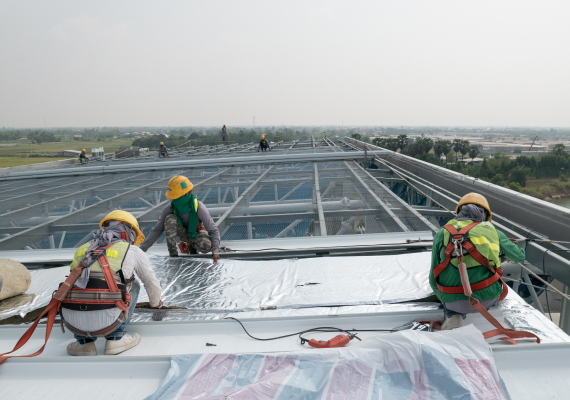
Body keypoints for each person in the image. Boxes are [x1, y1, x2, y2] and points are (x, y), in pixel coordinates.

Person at [62, 210, 163, 356]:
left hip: (73, 322)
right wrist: (155, 304)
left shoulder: (82, 249)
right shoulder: (132, 250)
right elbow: (151, 283)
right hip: (110, 317)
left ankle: (84, 343)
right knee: (133, 285)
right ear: (129, 231)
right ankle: (116, 337)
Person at [429, 193, 525, 330]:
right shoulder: (494, 232)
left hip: (450, 301)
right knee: (494, 284)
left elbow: (433, 273)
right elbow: (520, 256)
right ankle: (488, 304)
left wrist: (441, 295)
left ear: (459, 212)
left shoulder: (442, 232)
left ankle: (453, 315)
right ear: (485, 215)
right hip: (485, 300)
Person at [139, 175, 221, 262]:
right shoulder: (170, 208)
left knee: (206, 246)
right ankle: (173, 255)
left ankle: (192, 246)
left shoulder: (199, 207)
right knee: (170, 219)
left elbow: (213, 230)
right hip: (183, 233)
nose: (190, 193)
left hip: (197, 232)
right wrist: (141, 250)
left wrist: (215, 251)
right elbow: (157, 230)